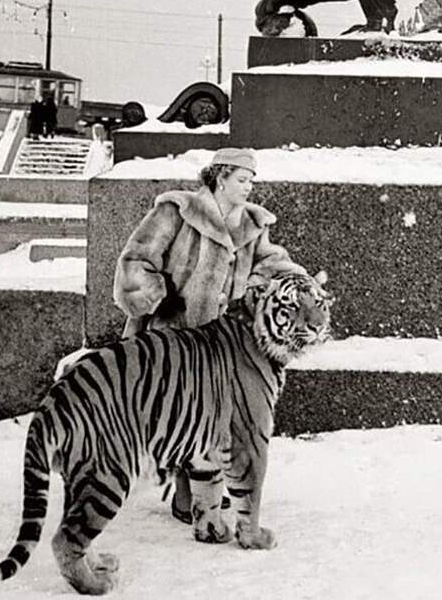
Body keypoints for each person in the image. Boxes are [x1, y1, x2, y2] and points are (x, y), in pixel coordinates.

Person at [113, 147, 307, 523]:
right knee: (181, 413)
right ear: (220, 177)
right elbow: (135, 260)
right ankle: (185, 496)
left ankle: (204, 498)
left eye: (252, 180)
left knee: (215, 418)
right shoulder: (177, 211)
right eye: (242, 179)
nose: (249, 187)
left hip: (224, 342)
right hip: (174, 335)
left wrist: (272, 283)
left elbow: (274, 262)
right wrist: (157, 295)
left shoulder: (252, 224)